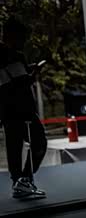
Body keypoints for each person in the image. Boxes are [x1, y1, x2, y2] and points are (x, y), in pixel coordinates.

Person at [0, 17, 47, 199]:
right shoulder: (13, 55)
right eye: (22, 38)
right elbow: (21, 83)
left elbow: (9, 79)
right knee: (39, 143)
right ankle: (25, 180)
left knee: (14, 147)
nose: (24, 42)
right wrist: (34, 73)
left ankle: (18, 184)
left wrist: (26, 69)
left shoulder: (3, 54)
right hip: (22, 109)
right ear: (13, 36)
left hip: (6, 110)